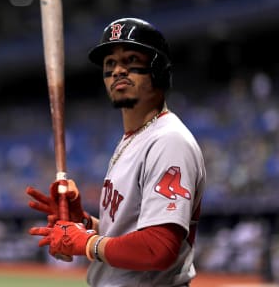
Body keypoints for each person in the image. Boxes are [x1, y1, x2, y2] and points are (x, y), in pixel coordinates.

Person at [26, 17, 206, 286]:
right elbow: (125, 232)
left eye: (131, 60)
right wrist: (83, 222)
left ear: (157, 69)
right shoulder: (133, 139)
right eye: (110, 64)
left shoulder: (168, 140)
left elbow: (158, 248)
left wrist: (86, 243)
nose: (118, 70)